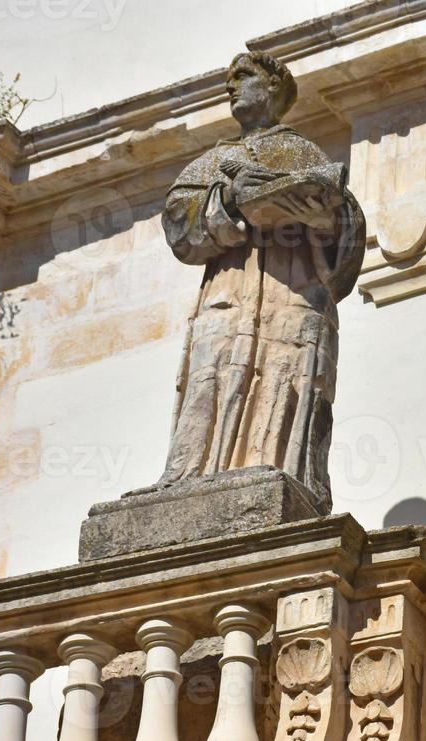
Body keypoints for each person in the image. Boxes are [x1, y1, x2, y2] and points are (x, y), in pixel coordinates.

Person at [158, 51, 364, 507]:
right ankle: (188, 480)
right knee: (208, 380)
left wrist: (326, 218)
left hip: (290, 294)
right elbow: (178, 224)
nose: (230, 87)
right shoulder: (215, 160)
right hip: (227, 296)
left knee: (282, 384)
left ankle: (282, 476)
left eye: (243, 76)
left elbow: (345, 238)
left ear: (273, 85)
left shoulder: (301, 153)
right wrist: (230, 200)